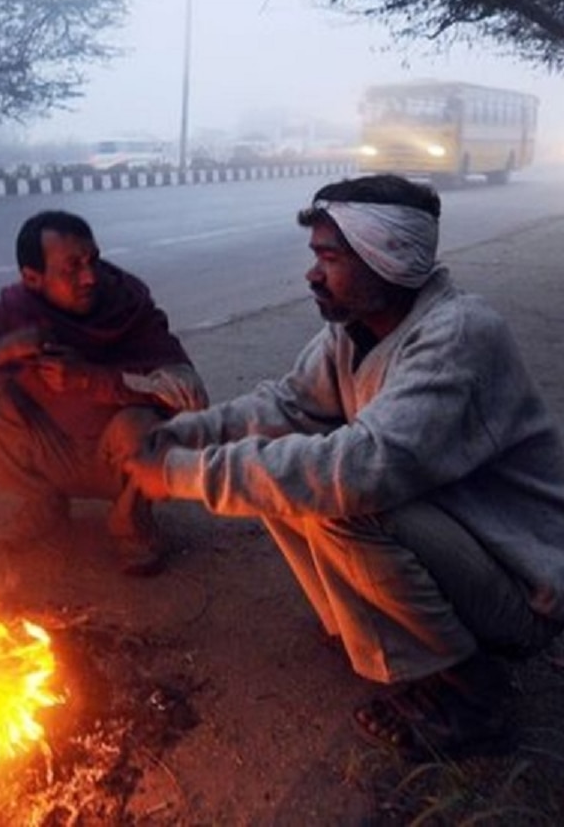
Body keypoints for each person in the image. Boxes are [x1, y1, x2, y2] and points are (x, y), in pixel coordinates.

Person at [125, 174, 564, 760]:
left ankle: (472, 695)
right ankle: (368, 627)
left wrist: (182, 475)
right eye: (317, 256)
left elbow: (357, 472)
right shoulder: (351, 331)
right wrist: (179, 435)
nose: (313, 273)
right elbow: (286, 405)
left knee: (338, 497)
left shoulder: (460, 335)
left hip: (522, 588)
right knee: (297, 457)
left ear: (388, 260)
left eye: (329, 257)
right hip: (463, 543)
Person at [0, 209, 208, 576]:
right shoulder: (12, 315)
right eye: (71, 268)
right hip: (50, 452)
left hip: (119, 458)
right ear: (33, 278)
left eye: (92, 260)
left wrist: (91, 378)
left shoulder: (127, 304)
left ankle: (131, 521)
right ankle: (43, 505)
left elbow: (191, 394)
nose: (89, 277)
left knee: (143, 424)